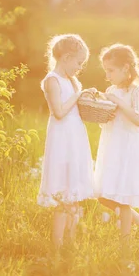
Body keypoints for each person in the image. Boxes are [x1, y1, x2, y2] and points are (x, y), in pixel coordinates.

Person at [94, 43, 139, 247]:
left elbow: (138, 119)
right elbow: (104, 122)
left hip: (128, 149)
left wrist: (118, 103)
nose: (108, 76)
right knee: (102, 196)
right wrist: (100, 106)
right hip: (112, 147)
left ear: (126, 68)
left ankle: (125, 247)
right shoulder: (111, 90)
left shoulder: (135, 91)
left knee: (123, 199)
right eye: (106, 71)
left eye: (111, 71)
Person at [38, 34, 95, 248]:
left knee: (75, 191)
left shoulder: (73, 81)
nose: (79, 68)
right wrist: (78, 96)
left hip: (76, 137)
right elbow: (59, 112)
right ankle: (57, 245)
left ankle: (72, 242)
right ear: (66, 58)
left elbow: (75, 108)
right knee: (62, 191)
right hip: (62, 139)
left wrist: (87, 97)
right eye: (79, 62)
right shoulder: (52, 80)